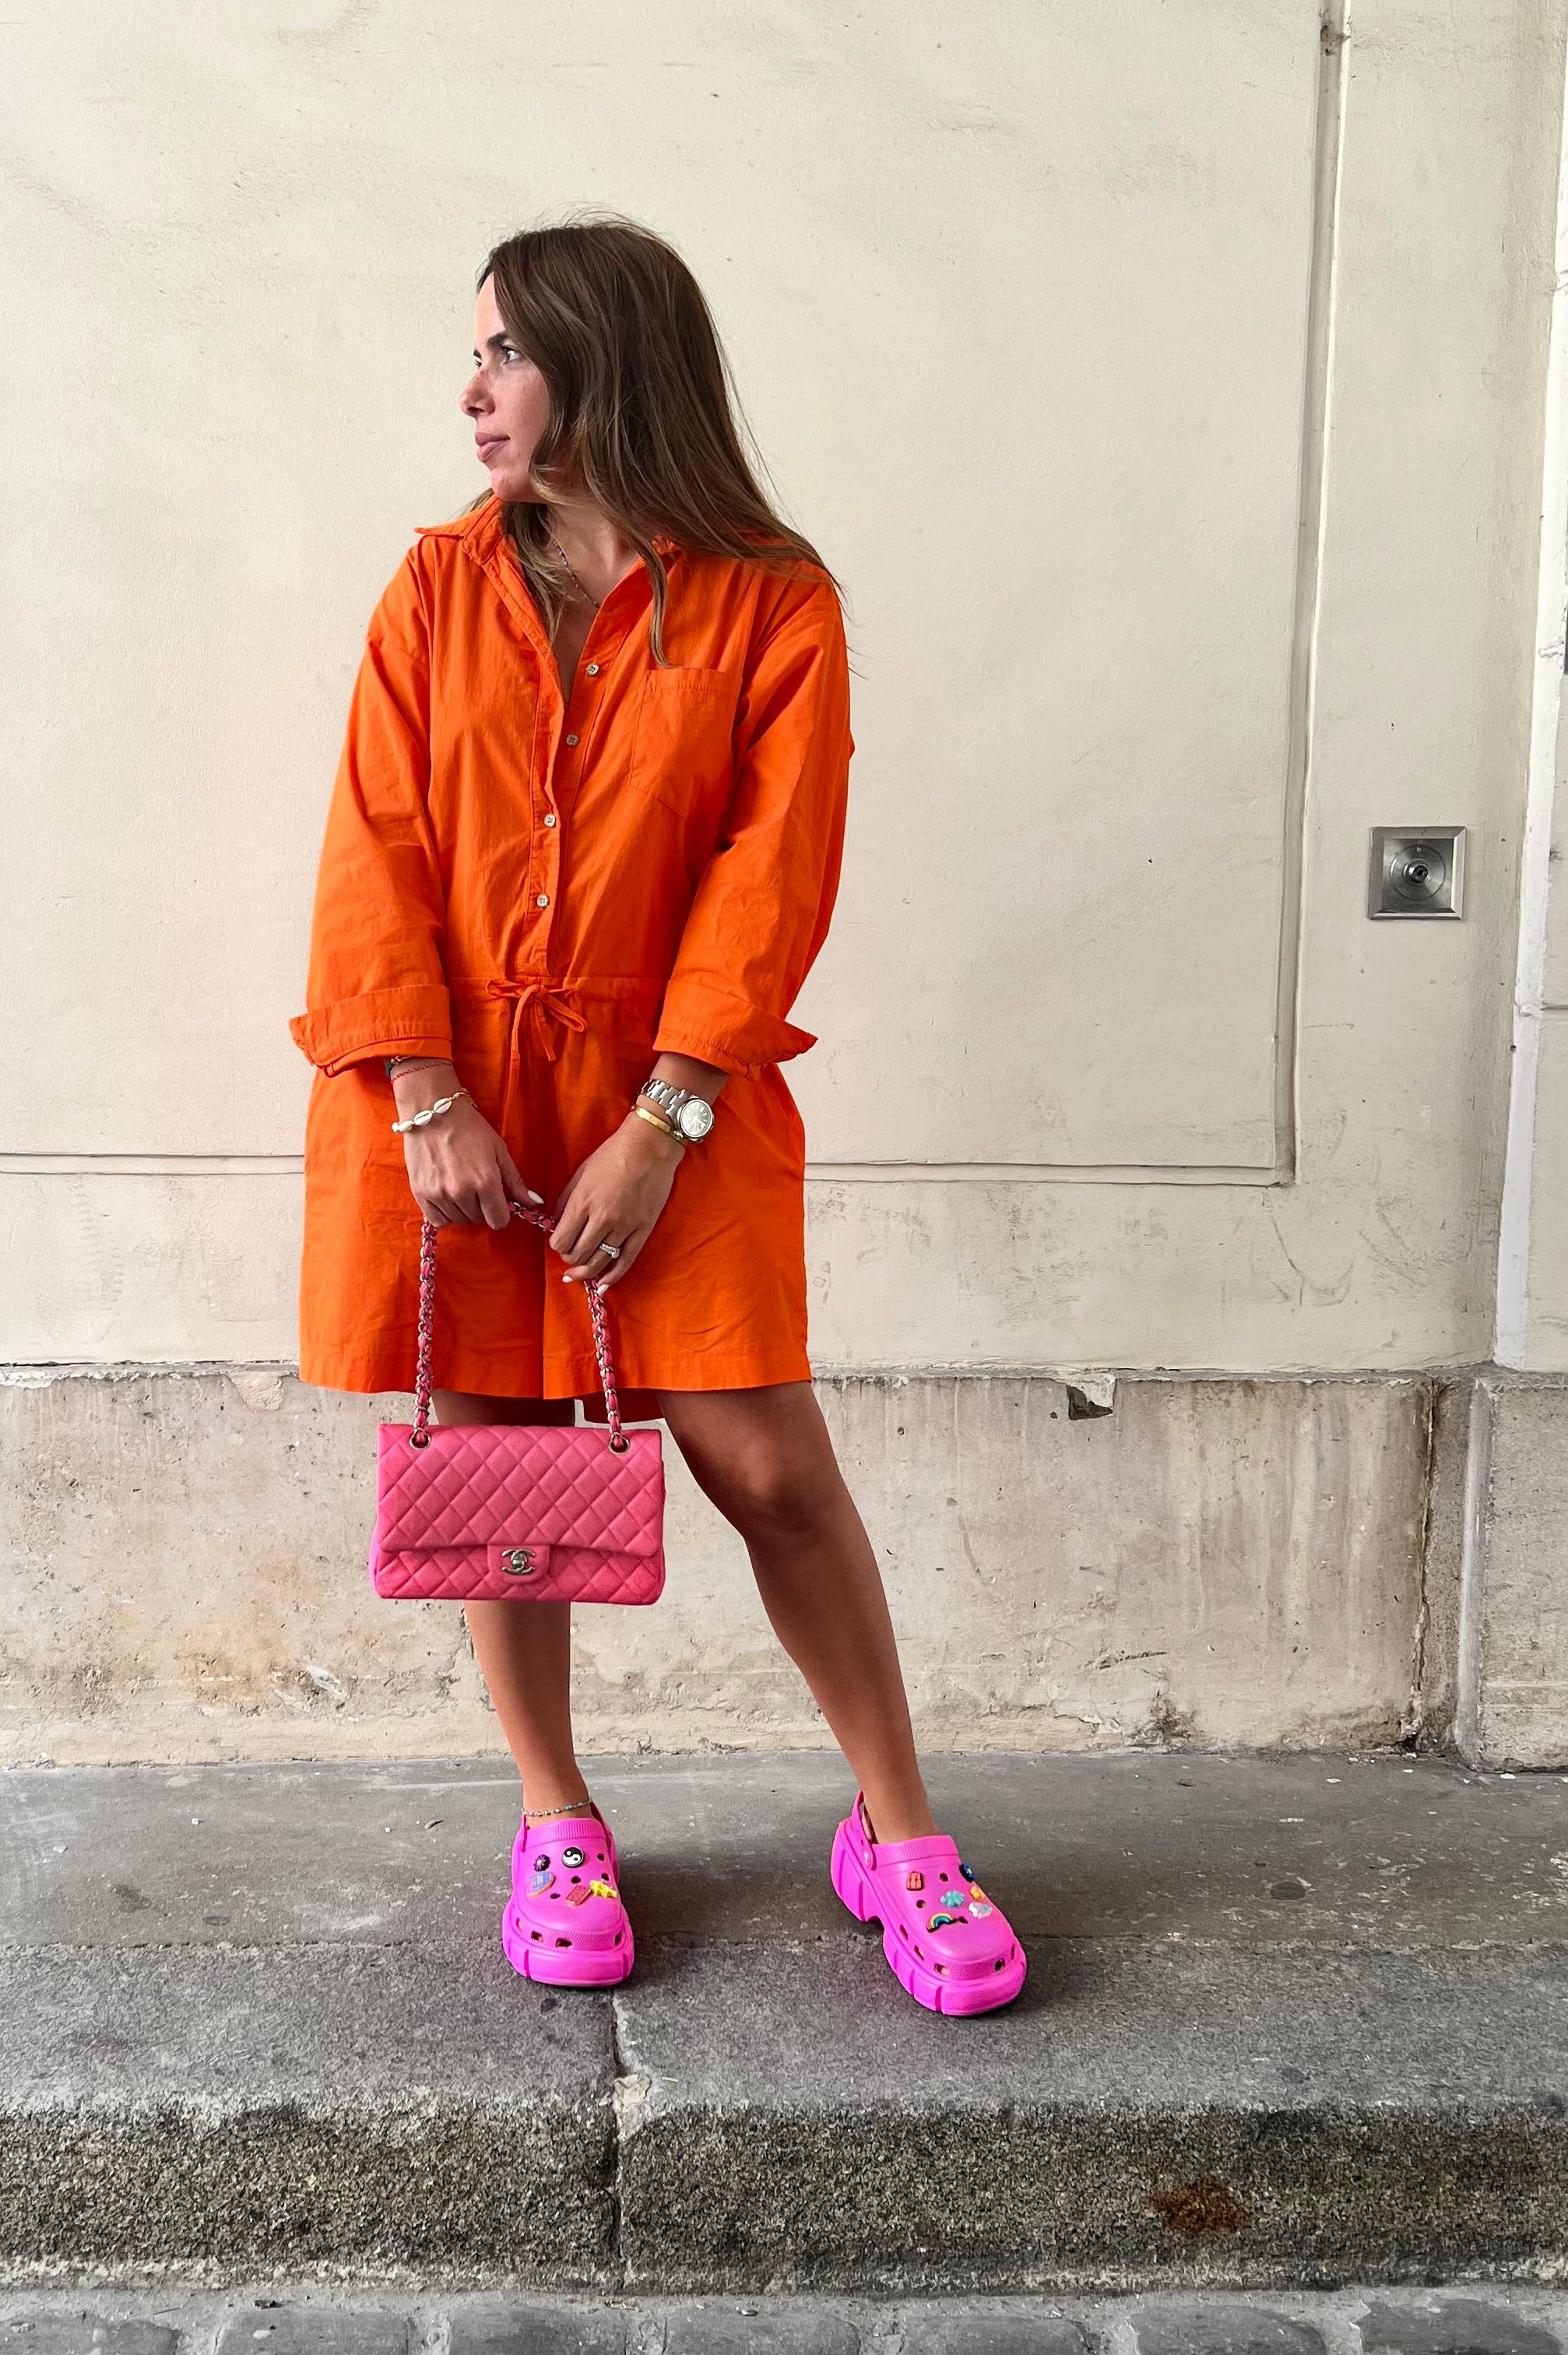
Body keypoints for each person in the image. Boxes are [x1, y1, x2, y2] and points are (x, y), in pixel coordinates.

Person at [288, 214, 1025, 2016]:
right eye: (473, 355)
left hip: (675, 1094)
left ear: (602, 364)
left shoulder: (773, 601)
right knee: (503, 1469)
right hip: (458, 1104)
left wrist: (667, 1114)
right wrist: (424, 1095)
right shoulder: (435, 592)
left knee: (768, 1468)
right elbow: (375, 844)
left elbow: (775, 877)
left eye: (506, 353)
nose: (473, 392)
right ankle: (556, 1817)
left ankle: (900, 1833)